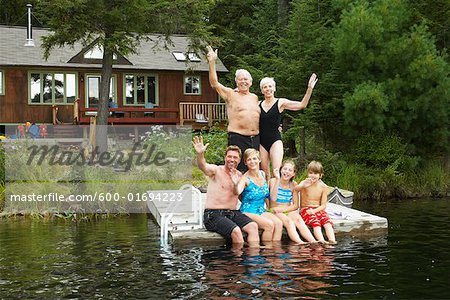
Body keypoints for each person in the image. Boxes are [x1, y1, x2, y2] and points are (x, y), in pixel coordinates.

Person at [192, 136, 260, 245]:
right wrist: (200, 154)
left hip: (232, 213)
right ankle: (238, 260)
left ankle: (253, 259)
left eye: (235, 157)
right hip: (213, 214)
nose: (232, 159)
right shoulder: (216, 171)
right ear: (225, 157)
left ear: (239, 160)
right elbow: (203, 166)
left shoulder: (239, 175)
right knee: (236, 231)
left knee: (253, 226)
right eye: (229, 156)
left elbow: (241, 195)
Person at [206, 46, 260, 172]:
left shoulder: (255, 97)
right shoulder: (230, 94)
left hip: (256, 139)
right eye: (240, 79)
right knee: (235, 170)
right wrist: (212, 62)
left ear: (251, 82)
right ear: (236, 82)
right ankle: (234, 192)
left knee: (253, 170)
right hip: (238, 137)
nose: (243, 82)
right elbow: (214, 83)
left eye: (246, 79)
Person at [259, 74, 318, 180]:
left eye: (270, 86)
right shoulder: (258, 104)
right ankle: (266, 196)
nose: (268, 89)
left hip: (275, 140)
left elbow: (301, 105)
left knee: (276, 172)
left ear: (274, 88)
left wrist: (309, 88)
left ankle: (276, 195)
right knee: (265, 173)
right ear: (262, 90)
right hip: (261, 141)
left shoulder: (280, 102)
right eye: (265, 87)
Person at [233, 148, 283, 242]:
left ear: (259, 160)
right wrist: (235, 185)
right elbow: (238, 191)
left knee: (279, 223)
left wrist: (277, 179)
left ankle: (275, 252)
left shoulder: (262, 174)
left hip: (261, 210)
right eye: (249, 159)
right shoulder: (245, 179)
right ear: (245, 162)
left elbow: (271, 197)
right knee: (269, 225)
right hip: (248, 211)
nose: (252, 162)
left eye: (254, 158)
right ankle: (267, 251)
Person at [268, 160, 317, 244]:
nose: (287, 172)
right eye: (285, 169)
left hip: (286, 209)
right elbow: (273, 199)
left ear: (293, 173)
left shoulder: (293, 184)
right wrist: (277, 179)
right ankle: (300, 242)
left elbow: (295, 205)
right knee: (289, 222)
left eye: (290, 170)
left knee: (299, 220)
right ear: (281, 170)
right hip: (275, 210)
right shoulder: (273, 181)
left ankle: (313, 241)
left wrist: (284, 210)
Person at [295, 161, 336, 244]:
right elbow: (295, 189)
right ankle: (321, 240)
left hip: (318, 209)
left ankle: (332, 240)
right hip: (305, 210)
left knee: (327, 221)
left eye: (316, 173)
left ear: (320, 175)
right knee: (316, 222)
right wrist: (303, 185)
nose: (313, 175)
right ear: (307, 173)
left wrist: (314, 211)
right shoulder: (305, 183)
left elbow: (323, 205)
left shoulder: (324, 187)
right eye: (311, 173)